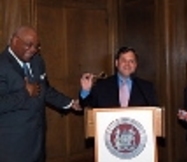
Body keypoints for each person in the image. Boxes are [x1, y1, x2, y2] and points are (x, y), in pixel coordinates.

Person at [0, 25, 81, 162]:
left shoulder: (37, 61)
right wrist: (24, 93)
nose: (33, 50)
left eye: (36, 46)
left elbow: (45, 90)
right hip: (12, 147)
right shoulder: (2, 65)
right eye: (29, 45)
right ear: (14, 41)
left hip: (37, 143)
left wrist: (70, 103)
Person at [79, 46, 157, 107]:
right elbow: (87, 107)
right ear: (116, 63)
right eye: (124, 61)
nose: (127, 64)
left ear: (136, 65)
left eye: (131, 61)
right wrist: (85, 91)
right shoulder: (102, 86)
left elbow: (154, 112)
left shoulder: (146, 88)